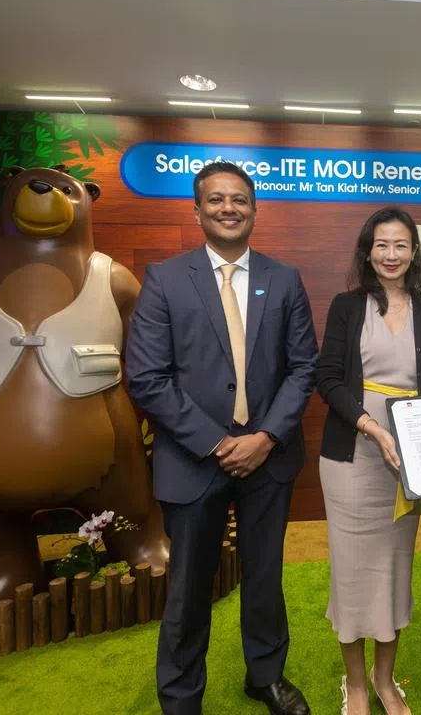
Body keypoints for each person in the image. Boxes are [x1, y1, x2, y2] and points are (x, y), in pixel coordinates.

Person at [126, 161, 318, 715]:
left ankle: (266, 676)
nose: (228, 208)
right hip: (193, 460)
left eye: (239, 199)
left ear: (255, 210)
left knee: (264, 576)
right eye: (216, 200)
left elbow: (302, 367)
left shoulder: (283, 279)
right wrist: (215, 442)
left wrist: (265, 437)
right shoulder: (164, 278)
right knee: (187, 588)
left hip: (268, 459)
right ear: (197, 209)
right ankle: (182, 696)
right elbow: (147, 376)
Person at [315, 205, 421, 715]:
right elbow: (327, 378)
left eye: (401, 245)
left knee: (395, 570)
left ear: (414, 251)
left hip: (411, 459)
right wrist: (373, 427)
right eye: (382, 244)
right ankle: (354, 684)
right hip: (353, 456)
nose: (391, 254)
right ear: (368, 250)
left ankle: (385, 680)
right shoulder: (346, 305)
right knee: (353, 573)